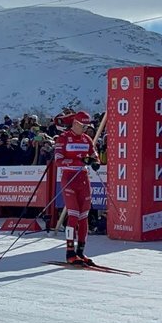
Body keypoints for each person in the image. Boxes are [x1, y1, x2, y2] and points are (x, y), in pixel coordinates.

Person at [54, 110, 100, 265]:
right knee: (73, 214)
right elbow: (59, 160)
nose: (86, 128)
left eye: (87, 125)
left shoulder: (87, 139)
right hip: (69, 178)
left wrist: (95, 162)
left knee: (84, 216)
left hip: (83, 179)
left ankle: (81, 251)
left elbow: (94, 155)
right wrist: (79, 161)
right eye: (83, 125)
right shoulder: (63, 138)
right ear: (75, 123)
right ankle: (69, 252)